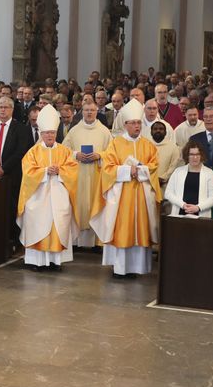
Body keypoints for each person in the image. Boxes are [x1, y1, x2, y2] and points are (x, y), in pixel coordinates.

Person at [90, 100, 161, 277]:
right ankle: (120, 268)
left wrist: (141, 171)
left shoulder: (148, 145)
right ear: (125, 125)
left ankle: (138, 268)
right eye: (133, 123)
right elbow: (108, 168)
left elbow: (154, 166)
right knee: (122, 230)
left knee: (140, 230)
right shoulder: (115, 144)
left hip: (142, 196)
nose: (137, 126)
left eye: (139, 123)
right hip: (122, 197)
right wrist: (128, 171)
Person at [16, 104, 79, 271]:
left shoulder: (65, 151)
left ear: (56, 133)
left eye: (52, 133)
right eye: (47, 133)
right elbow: (28, 173)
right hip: (38, 197)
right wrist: (45, 171)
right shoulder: (33, 152)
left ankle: (54, 261)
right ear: (41, 134)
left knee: (58, 226)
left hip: (58, 197)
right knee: (38, 224)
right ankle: (37, 261)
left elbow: (73, 171)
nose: (50, 135)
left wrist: (60, 171)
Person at [62, 100, 113, 248]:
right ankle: (77, 242)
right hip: (78, 176)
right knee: (78, 206)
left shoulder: (104, 131)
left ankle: (97, 243)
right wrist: (75, 154)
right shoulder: (74, 131)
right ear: (82, 112)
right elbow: (64, 151)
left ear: (97, 112)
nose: (89, 113)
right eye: (86, 110)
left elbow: (112, 153)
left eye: (92, 110)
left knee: (96, 206)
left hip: (97, 176)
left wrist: (100, 155)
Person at [165, 140, 213, 218]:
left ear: (202, 155)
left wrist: (198, 207)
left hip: (201, 214)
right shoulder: (178, 171)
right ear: (187, 156)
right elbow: (168, 193)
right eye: (192, 154)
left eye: (197, 154)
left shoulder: (209, 173)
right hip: (179, 213)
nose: (195, 157)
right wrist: (182, 205)